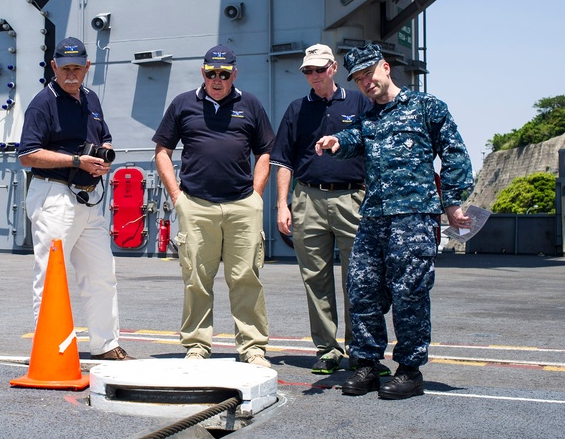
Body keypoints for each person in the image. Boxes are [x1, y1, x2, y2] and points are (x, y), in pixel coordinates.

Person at [315, 43, 473, 399]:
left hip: (413, 217)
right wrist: (336, 141)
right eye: (357, 78)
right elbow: (353, 137)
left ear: (385, 68)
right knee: (362, 289)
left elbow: (454, 152)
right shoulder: (369, 118)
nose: (365, 82)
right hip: (373, 216)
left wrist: (452, 202)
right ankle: (368, 364)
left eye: (369, 73)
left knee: (410, 292)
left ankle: (409, 370)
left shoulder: (426, 107)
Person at [152, 44, 275, 367]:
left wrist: (257, 195)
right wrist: (177, 197)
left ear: (234, 74)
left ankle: (252, 347)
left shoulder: (250, 104)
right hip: (196, 205)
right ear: (202, 73)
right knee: (196, 278)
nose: (217, 80)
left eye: (223, 74)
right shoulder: (183, 104)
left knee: (246, 277)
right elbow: (162, 151)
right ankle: (197, 344)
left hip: (242, 206)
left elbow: (265, 152)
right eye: (211, 73)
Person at [18, 37, 130, 361]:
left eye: (77, 69)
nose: (71, 75)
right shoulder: (43, 103)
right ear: (53, 67)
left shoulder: (91, 99)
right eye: (65, 68)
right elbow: (27, 154)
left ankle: (106, 344)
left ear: (87, 68)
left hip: (88, 199)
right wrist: (76, 161)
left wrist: (102, 157)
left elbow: (103, 135)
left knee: (101, 274)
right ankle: (49, 350)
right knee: (52, 275)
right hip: (54, 197)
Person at [271, 44, 372, 375]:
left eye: (318, 69)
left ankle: (361, 350)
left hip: (352, 199)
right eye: (307, 71)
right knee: (315, 278)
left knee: (358, 278)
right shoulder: (297, 109)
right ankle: (327, 349)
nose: (313, 76)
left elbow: (375, 149)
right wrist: (282, 205)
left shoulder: (359, 101)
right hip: (308, 199)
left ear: (333, 68)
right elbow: (283, 161)